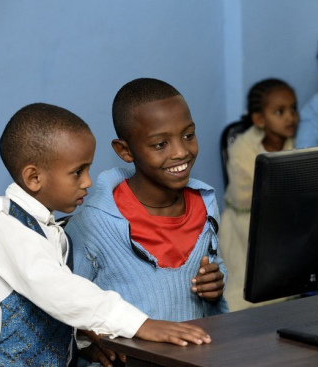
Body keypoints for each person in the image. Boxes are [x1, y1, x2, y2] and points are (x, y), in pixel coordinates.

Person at [0, 103, 212, 367]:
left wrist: (81, 344)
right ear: (34, 178)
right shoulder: (6, 223)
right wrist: (140, 325)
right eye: (77, 172)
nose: (88, 182)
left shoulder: (47, 227)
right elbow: (59, 292)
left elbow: (48, 310)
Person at [65, 78, 228, 364]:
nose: (180, 152)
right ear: (125, 151)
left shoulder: (206, 202)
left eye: (188, 135)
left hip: (195, 358)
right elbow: (68, 305)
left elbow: (216, 272)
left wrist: (215, 285)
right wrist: (88, 341)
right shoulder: (94, 222)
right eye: (160, 144)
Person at [218, 78, 299, 311]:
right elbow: (248, 196)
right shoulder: (241, 149)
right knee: (244, 288)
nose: (290, 117)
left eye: (293, 109)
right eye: (280, 112)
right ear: (260, 120)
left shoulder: (294, 141)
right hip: (246, 222)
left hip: (282, 219)